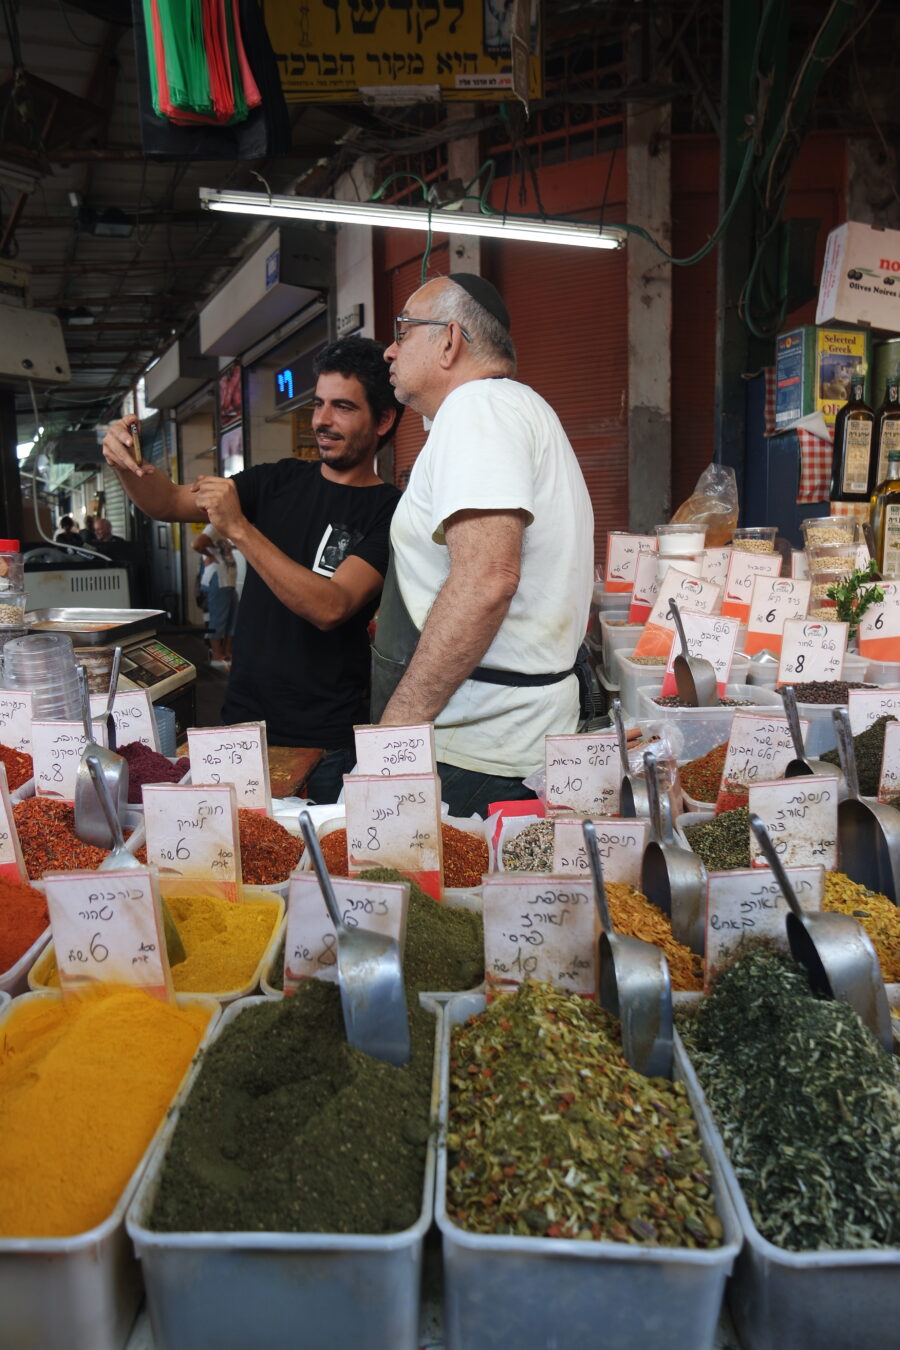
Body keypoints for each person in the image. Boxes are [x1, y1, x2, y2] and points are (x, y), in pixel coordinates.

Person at [102, 336, 404, 803]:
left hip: (324, 741)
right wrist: (127, 460)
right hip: (241, 725)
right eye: (319, 404)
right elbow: (166, 501)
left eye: (343, 407)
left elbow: (331, 605)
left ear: (383, 420)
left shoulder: (389, 511)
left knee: (310, 864)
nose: (322, 420)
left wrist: (239, 529)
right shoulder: (276, 480)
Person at [373, 272, 594, 818]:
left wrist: (397, 732)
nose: (389, 349)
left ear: (449, 341)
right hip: (506, 744)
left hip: (478, 755)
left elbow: (486, 579)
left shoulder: (478, 411)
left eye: (403, 329)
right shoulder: (515, 409)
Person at [192, 522, 238, 669]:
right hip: (219, 581)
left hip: (229, 582)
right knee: (219, 619)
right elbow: (196, 544)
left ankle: (227, 652)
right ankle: (217, 656)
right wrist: (209, 555)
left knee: (233, 619)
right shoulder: (213, 528)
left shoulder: (224, 530)